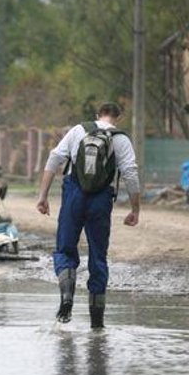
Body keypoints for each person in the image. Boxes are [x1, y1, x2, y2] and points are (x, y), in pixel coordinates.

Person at [36, 102, 141, 329]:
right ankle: (97, 324)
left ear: (97, 115)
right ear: (118, 118)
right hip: (101, 198)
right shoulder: (120, 139)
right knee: (98, 255)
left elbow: (54, 159)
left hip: (74, 191)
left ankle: (67, 297)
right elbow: (131, 175)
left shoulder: (78, 130)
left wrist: (43, 196)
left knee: (65, 248)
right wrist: (135, 209)